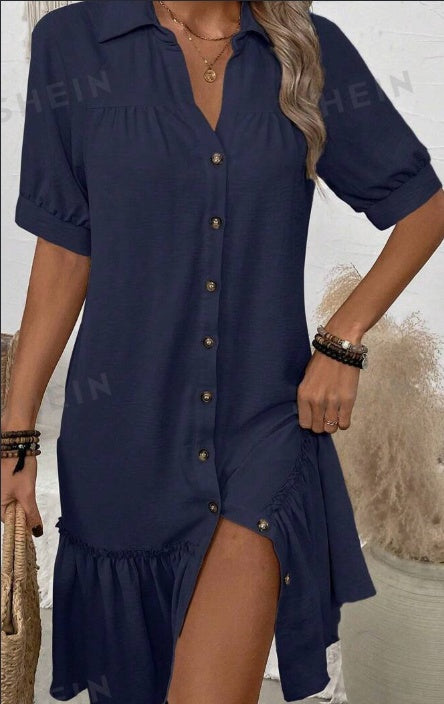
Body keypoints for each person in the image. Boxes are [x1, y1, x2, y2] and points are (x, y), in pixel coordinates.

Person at [2, 2, 443, 703]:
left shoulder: (307, 50)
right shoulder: (74, 43)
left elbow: (424, 206)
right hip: (122, 439)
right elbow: (62, 251)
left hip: (261, 430)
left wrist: (342, 340)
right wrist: (16, 433)